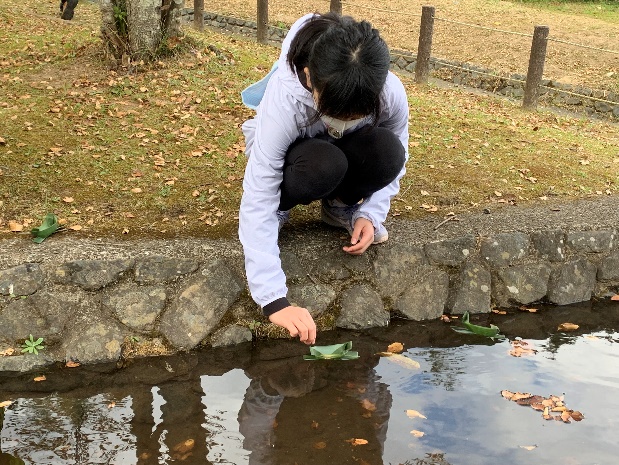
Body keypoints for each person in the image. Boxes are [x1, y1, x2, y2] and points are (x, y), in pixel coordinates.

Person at [238, 12, 409, 345]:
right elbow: (259, 188)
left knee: (388, 152)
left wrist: (371, 214)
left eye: (354, 118)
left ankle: (340, 205)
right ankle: (285, 207)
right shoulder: (285, 99)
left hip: (343, 157)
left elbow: (398, 150)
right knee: (323, 162)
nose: (340, 124)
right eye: (332, 113)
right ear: (309, 77)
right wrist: (273, 299)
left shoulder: (388, 90)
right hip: (303, 161)